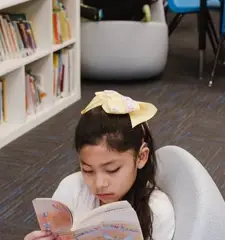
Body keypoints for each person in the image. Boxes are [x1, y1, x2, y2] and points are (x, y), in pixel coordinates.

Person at [24, 90, 175, 240]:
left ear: (141, 157)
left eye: (112, 170)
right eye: (88, 170)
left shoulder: (157, 211)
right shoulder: (71, 189)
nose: (99, 184)